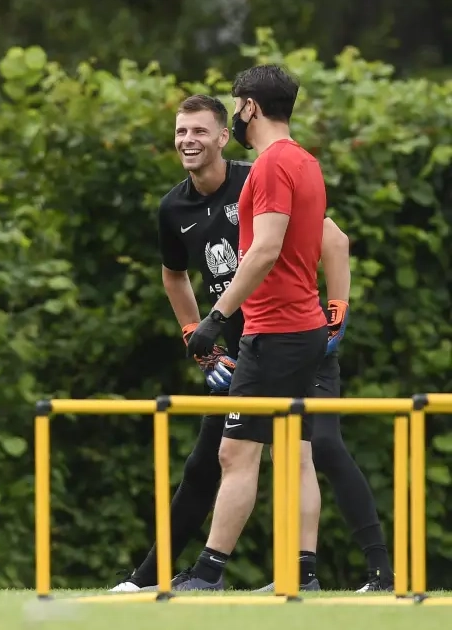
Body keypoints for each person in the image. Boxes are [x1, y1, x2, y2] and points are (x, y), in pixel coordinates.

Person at [109, 95, 391, 593]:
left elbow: (332, 239)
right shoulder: (173, 207)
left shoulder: (257, 176)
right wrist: (198, 337)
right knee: (209, 460)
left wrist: (336, 313)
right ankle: (149, 579)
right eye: (181, 132)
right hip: (243, 351)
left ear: (224, 137)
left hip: (291, 336)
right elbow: (173, 276)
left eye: (200, 131)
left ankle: (377, 573)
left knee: (315, 448)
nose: (188, 140)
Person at [168, 65, 332, 591]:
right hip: (303, 327)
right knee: (296, 452)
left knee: (234, 453)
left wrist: (214, 319)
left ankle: (208, 573)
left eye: (236, 106)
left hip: (274, 330)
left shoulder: (271, 165)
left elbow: (264, 250)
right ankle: (302, 575)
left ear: (249, 107)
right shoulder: (304, 160)